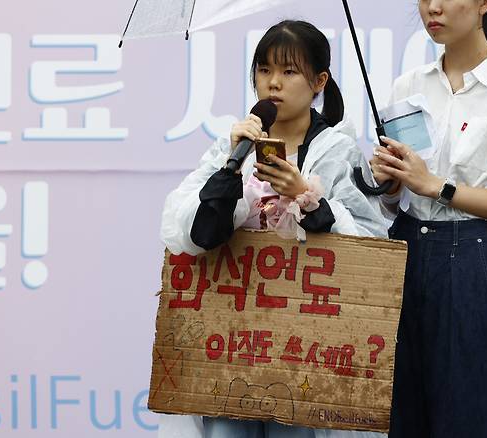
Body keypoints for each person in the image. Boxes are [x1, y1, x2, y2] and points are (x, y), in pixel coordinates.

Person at [160, 20, 386, 438]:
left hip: (305, 348)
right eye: (264, 70)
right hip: (230, 340)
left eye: (288, 72)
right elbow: (191, 234)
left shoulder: (337, 150)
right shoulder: (235, 144)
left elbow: (370, 248)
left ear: (319, 81)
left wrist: (306, 197)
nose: (273, 84)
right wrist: (231, 166)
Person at [369, 1, 487, 437]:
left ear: (485, 2)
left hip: (473, 260)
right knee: (400, 415)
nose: (432, 7)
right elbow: (393, 203)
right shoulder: (408, 85)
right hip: (406, 255)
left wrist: (437, 186)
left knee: (472, 413)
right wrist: (391, 183)